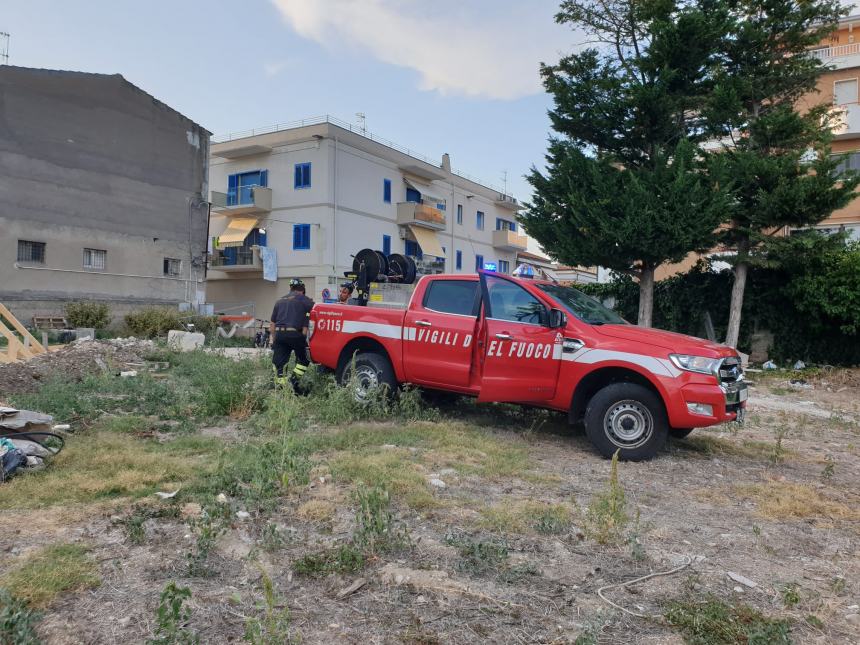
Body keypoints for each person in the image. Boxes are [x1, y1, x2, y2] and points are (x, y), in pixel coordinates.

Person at [270, 278, 314, 392]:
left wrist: (274, 341)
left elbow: (272, 325)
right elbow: (315, 313)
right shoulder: (305, 300)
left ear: (290, 288)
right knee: (304, 360)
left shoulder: (279, 301)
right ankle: (293, 382)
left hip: (280, 334)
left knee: (280, 364)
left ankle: (282, 390)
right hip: (295, 334)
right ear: (302, 290)